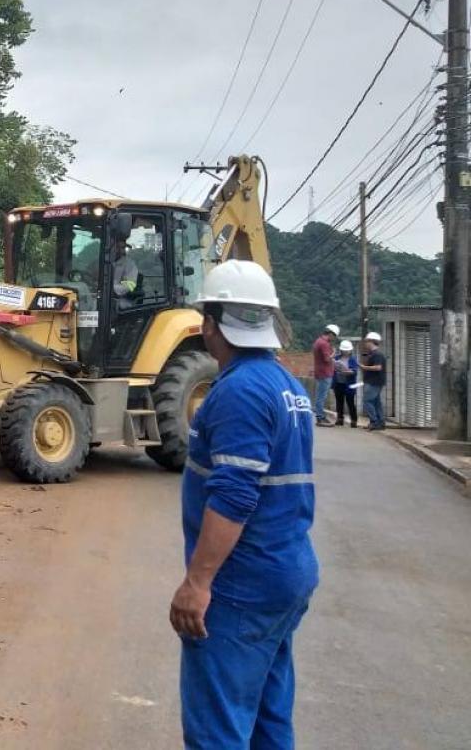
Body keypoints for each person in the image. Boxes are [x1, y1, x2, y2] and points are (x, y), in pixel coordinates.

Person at [169, 259, 319, 750]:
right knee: (267, 714)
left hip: (242, 584)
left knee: (218, 727)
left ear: (212, 324)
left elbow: (235, 494)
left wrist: (198, 582)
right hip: (284, 572)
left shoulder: (238, 392)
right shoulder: (287, 387)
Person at [359, 332, 388, 431]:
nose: (366, 343)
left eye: (367, 341)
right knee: (376, 402)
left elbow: (378, 367)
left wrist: (364, 367)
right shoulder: (373, 354)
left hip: (374, 382)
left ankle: (374, 421)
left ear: (372, 342)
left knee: (367, 401)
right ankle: (380, 422)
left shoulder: (377, 354)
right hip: (374, 382)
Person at [311, 324, 338, 426]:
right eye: (334, 336)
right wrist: (334, 353)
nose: (333, 339)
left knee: (320, 396)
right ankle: (320, 418)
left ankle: (320, 416)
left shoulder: (318, 341)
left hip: (320, 372)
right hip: (325, 373)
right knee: (321, 396)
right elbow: (327, 359)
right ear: (331, 334)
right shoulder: (324, 344)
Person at [331, 340, 359, 427]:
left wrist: (347, 372)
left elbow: (354, 371)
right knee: (339, 402)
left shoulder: (353, 359)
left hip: (349, 384)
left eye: (347, 350)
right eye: (344, 350)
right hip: (338, 383)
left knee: (350, 403)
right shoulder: (336, 358)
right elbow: (332, 367)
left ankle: (353, 420)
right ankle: (340, 419)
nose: (346, 352)